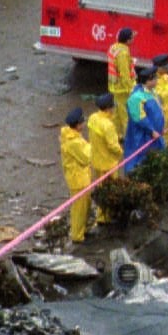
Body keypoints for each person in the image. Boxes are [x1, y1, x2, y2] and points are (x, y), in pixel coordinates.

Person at [61, 108, 94, 242]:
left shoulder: (71, 136)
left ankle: (83, 230)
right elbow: (86, 158)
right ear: (77, 125)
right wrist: (93, 146)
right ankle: (77, 236)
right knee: (79, 209)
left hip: (81, 177)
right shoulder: (74, 142)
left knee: (84, 206)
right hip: (78, 179)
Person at [88, 92, 124, 210]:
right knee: (110, 191)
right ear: (109, 108)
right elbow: (113, 146)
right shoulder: (108, 125)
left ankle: (101, 214)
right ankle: (107, 215)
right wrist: (120, 152)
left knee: (100, 188)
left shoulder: (93, 118)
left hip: (97, 161)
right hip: (108, 164)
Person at [124, 65, 165, 170]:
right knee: (139, 159)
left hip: (154, 134)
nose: (157, 80)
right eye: (155, 78)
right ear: (148, 81)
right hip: (142, 136)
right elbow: (139, 118)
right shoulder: (136, 97)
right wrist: (151, 131)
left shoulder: (151, 92)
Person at [151, 53, 168, 128]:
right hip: (161, 115)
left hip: (167, 113)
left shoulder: (163, 75)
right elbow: (163, 94)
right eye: (166, 68)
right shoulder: (154, 80)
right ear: (159, 68)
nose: (167, 70)